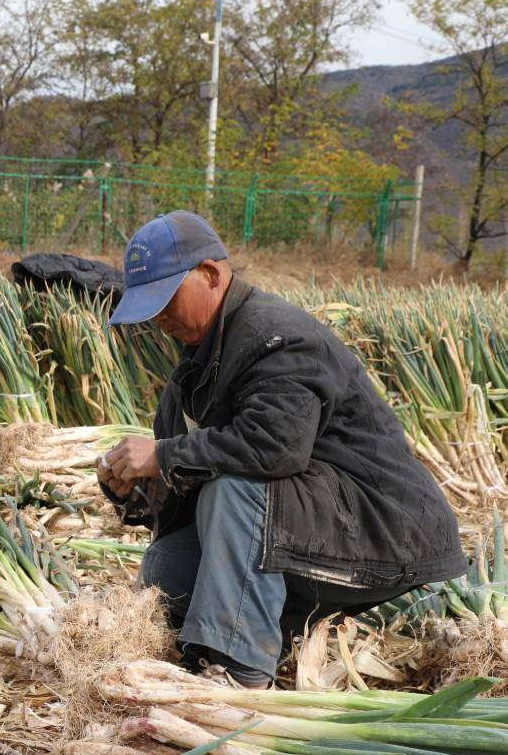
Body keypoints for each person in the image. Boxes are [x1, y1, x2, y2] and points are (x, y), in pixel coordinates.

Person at [98, 211, 464, 687]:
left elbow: (275, 448)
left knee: (236, 489)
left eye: (165, 298)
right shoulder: (191, 374)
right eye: (147, 305)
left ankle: (239, 675)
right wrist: (134, 490)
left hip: (382, 527)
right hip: (307, 525)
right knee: (167, 564)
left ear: (210, 274)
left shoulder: (276, 336)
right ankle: (203, 651)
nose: (158, 316)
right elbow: (183, 493)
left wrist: (163, 455)